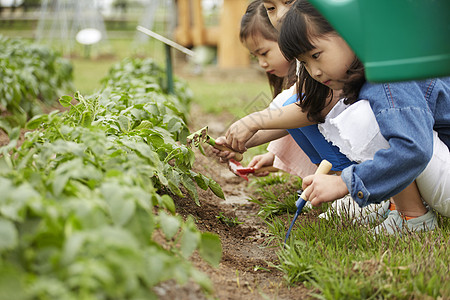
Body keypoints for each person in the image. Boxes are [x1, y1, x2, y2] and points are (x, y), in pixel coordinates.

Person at [225, 0, 450, 234]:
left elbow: (413, 149)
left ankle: (413, 218)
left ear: (347, 31)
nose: (315, 71)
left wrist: (344, 183)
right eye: (305, 63)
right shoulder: (364, 71)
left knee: (362, 117)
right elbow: (309, 108)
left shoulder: (388, 75)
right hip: (437, 171)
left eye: (316, 55)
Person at [214, 0, 380, 219]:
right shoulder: (311, 62)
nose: (281, 15)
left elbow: (313, 108)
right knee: (290, 111)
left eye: (288, 2)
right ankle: (343, 185)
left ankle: (357, 189)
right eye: (271, 8)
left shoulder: (337, 43)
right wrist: (243, 140)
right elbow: (300, 109)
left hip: (379, 149)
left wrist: (254, 122)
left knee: (295, 111)